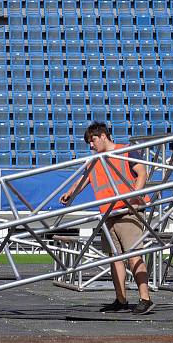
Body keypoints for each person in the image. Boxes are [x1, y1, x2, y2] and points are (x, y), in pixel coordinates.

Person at [59, 122, 155, 315]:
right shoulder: (95, 160)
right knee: (115, 259)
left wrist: (132, 197)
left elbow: (142, 173)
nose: (91, 146)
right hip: (109, 213)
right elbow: (83, 180)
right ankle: (121, 299)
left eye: (92, 140)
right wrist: (70, 193)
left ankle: (145, 298)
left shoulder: (126, 151)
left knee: (133, 254)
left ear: (103, 136)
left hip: (128, 212)